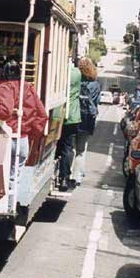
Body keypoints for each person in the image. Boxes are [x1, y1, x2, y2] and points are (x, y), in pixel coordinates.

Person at [0, 59, 48, 168]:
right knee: (14, 178)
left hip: (6, 138)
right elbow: (42, 115)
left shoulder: (5, 87)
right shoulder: (28, 87)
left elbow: (4, 111)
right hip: (23, 140)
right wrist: (30, 134)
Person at [56, 58, 82, 190]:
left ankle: (56, 172)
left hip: (58, 113)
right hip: (72, 116)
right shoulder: (77, 73)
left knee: (57, 144)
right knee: (67, 147)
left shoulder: (59, 71)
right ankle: (64, 178)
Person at [74, 58, 101, 182]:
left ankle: (69, 174)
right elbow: (96, 103)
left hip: (75, 116)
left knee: (71, 147)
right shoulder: (95, 85)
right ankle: (78, 176)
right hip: (88, 119)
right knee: (81, 149)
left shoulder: (76, 81)